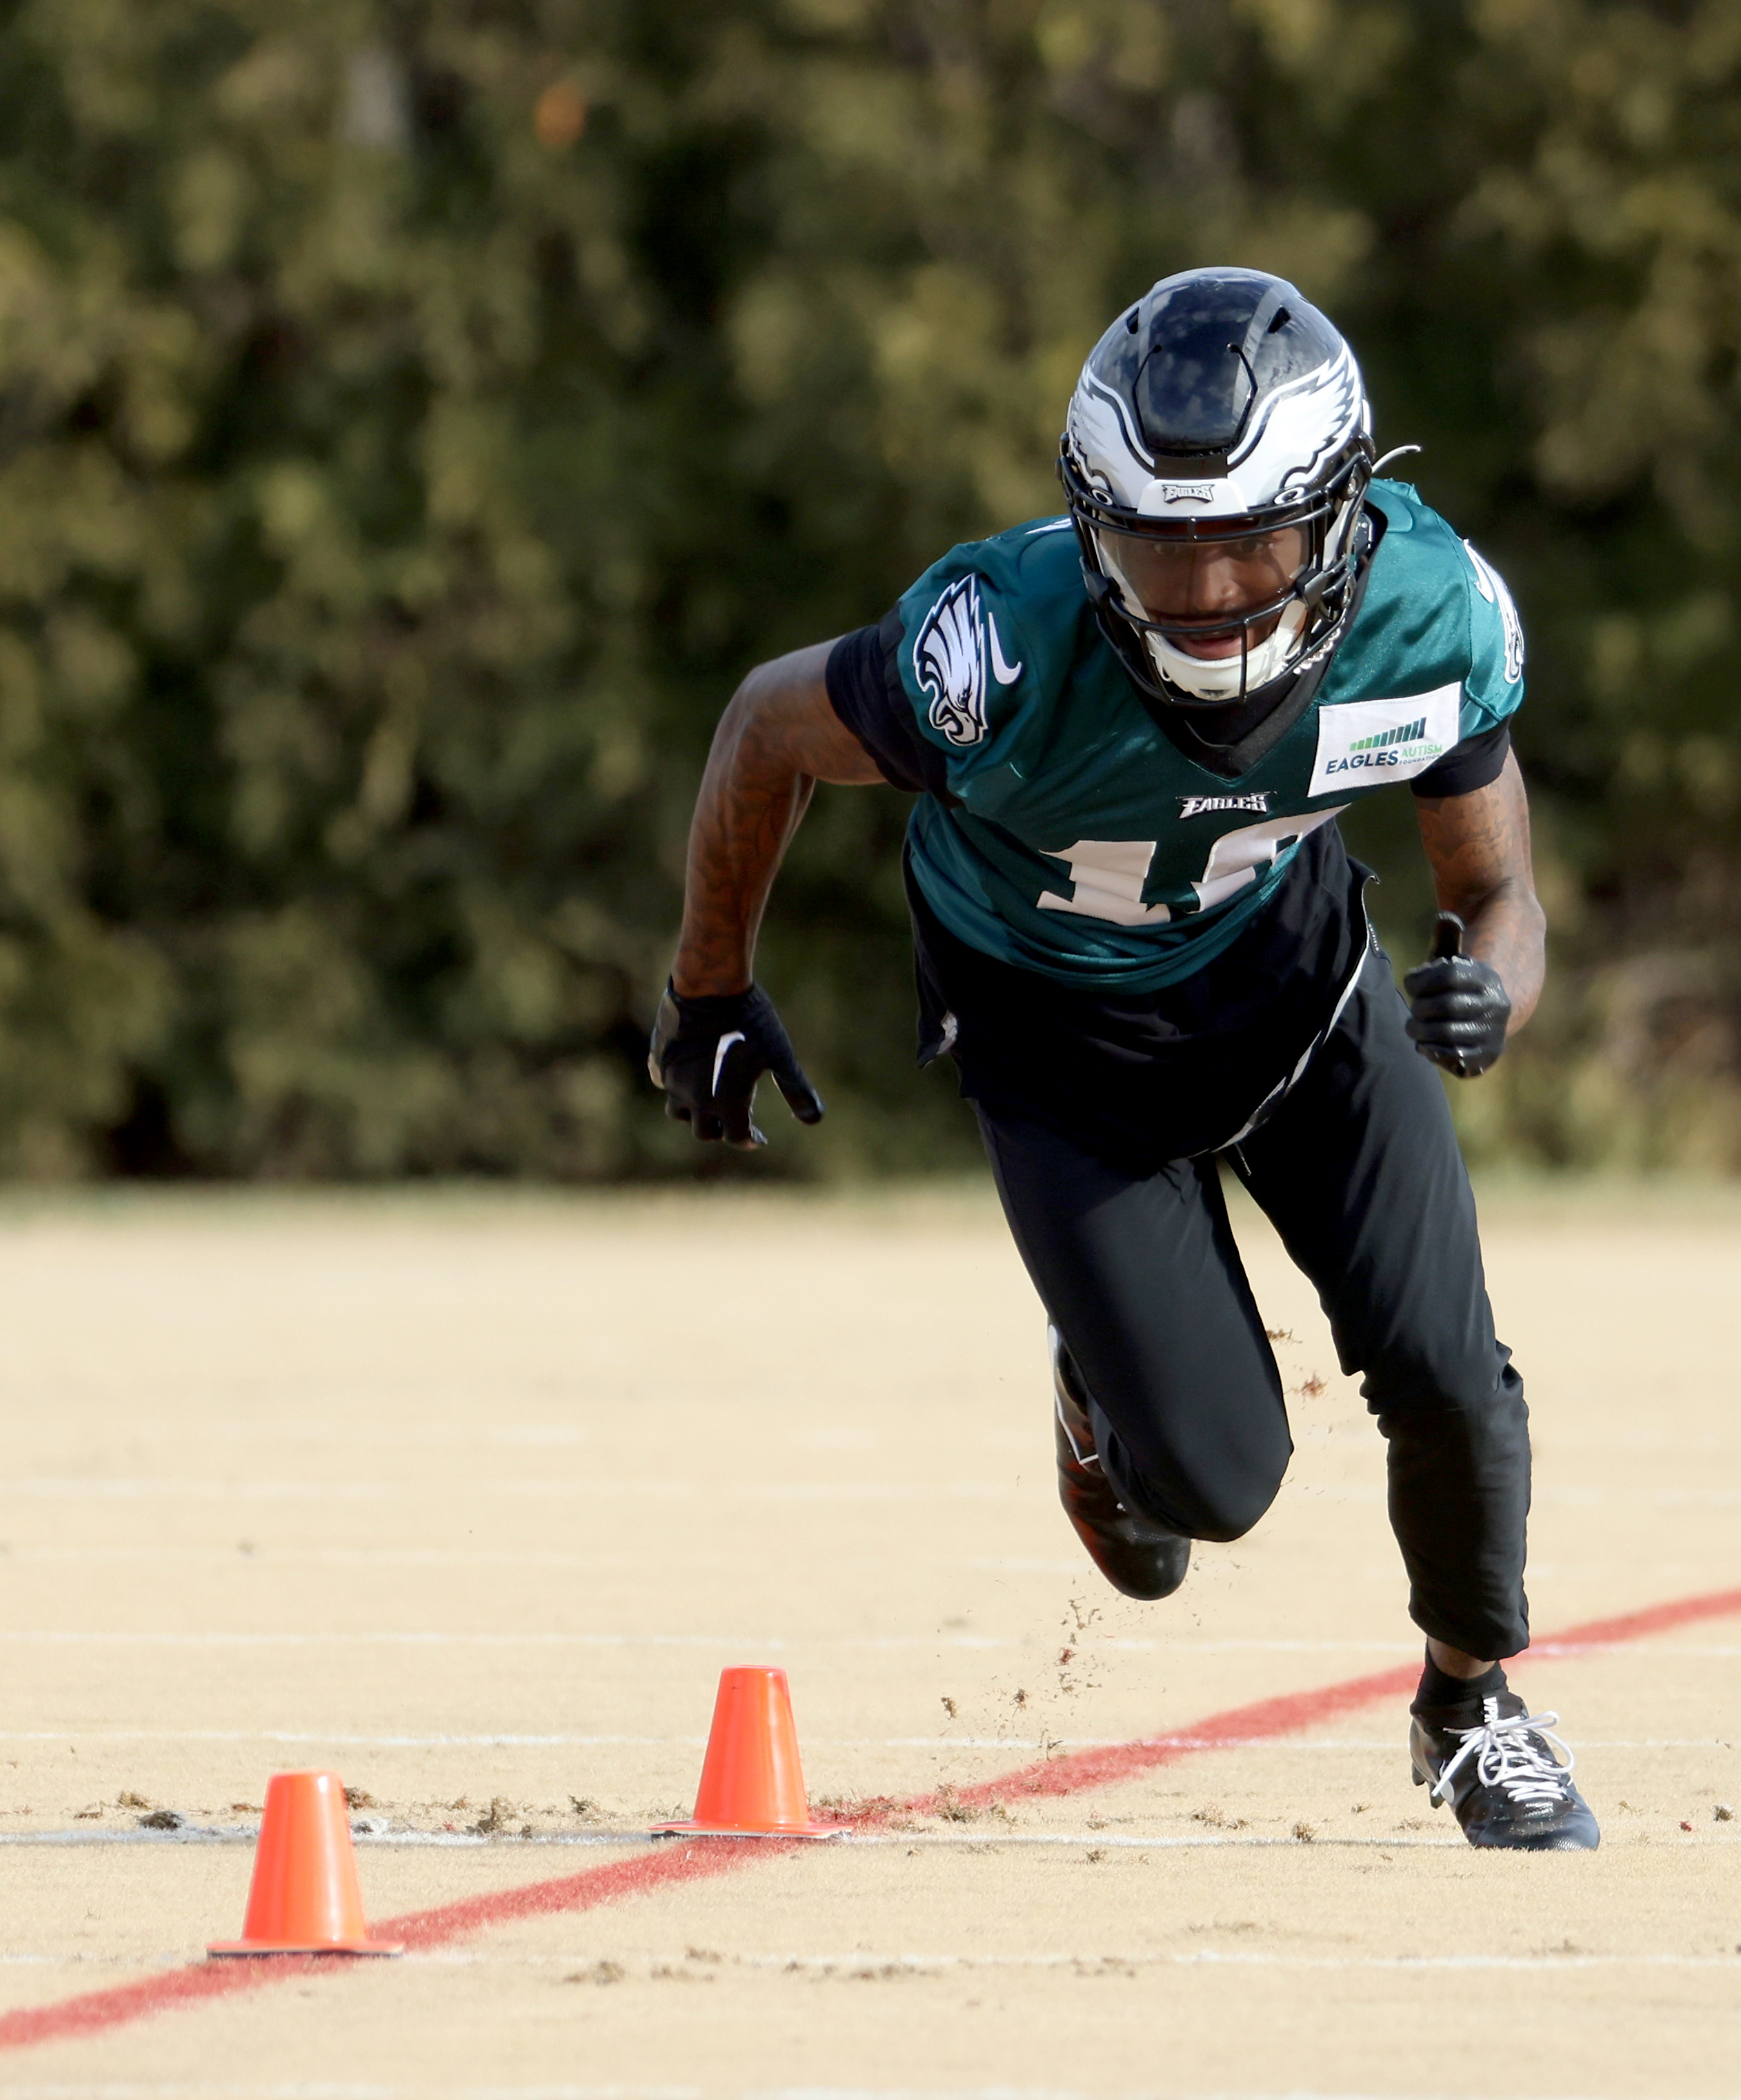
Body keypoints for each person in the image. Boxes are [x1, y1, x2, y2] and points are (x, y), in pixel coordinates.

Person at [650, 268, 1598, 1850]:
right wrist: (708, 985)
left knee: (1452, 1374)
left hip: (1295, 995)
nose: (1217, 589)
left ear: (1345, 517)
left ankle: (1473, 1701)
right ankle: (1107, 1393)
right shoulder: (999, 648)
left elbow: (1498, 893)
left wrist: (1491, 988)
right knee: (1217, 1488)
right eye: (1168, 544)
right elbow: (766, 722)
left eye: (1257, 540)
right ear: (1096, 531)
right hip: (1057, 1045)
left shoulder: (1430, 613)